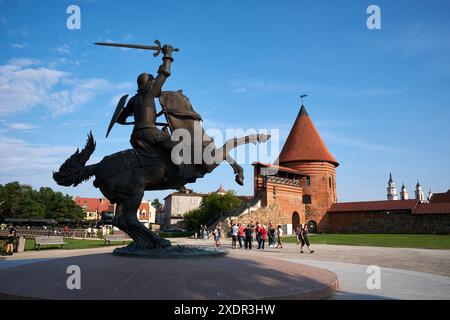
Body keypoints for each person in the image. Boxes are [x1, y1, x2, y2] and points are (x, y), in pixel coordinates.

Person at [117, 44, 175, 153]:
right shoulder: (148, 93)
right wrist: (168, 53)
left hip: (135, 136)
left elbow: (120, 119)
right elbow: (166, 72)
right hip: (148, 132)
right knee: (178, 147)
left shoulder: (133, 99)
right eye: (154, 83)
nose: (158, 87)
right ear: (149, 85)